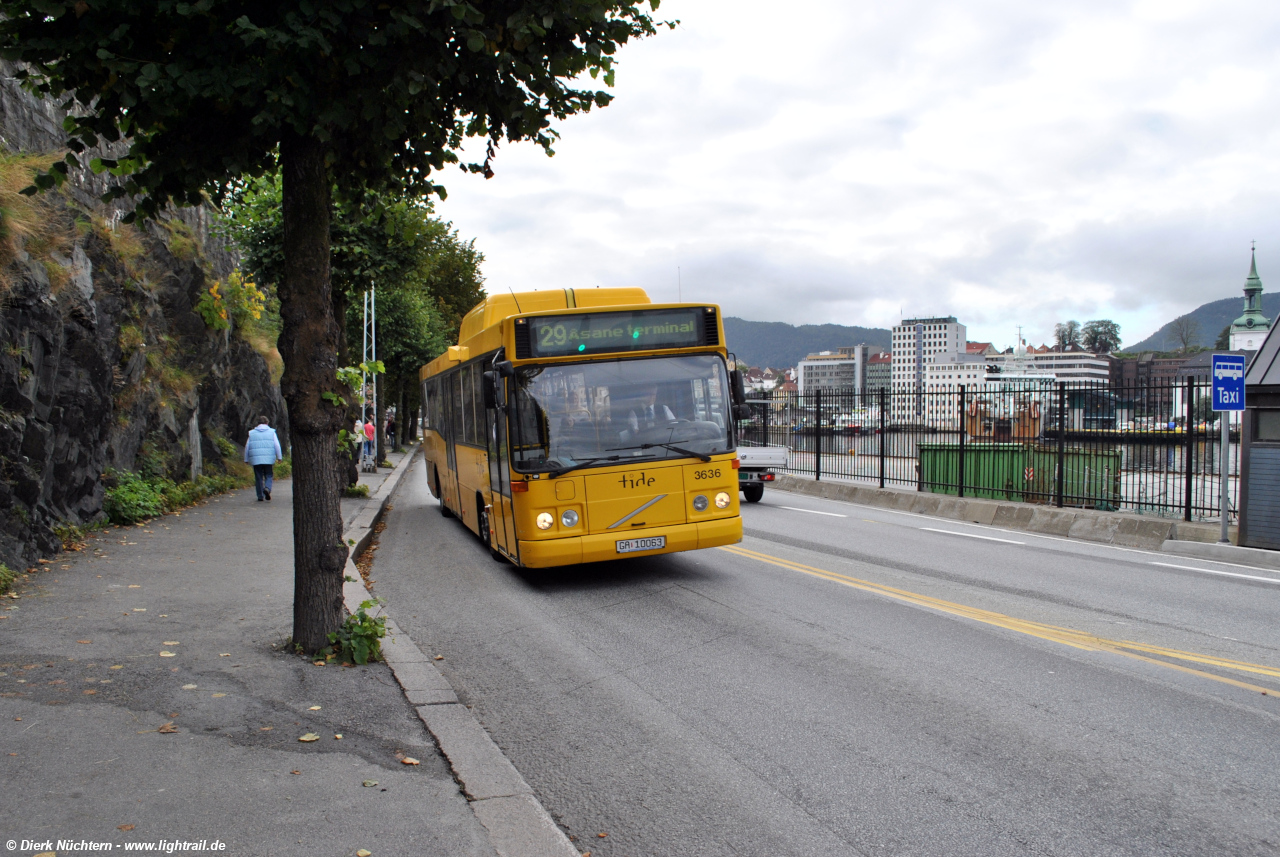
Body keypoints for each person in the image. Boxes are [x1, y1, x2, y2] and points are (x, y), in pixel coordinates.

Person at [244, 415, 283, 501]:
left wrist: (246, 459)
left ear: (258, 423)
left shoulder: (251, 433)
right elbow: (277, 445)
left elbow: (247, 446)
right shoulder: (272, 432)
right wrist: (279, 457)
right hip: (268, 458)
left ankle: (260, 496)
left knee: (258, 477)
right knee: (269, 474)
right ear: (267, 423)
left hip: (256, 459)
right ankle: (267, 488)